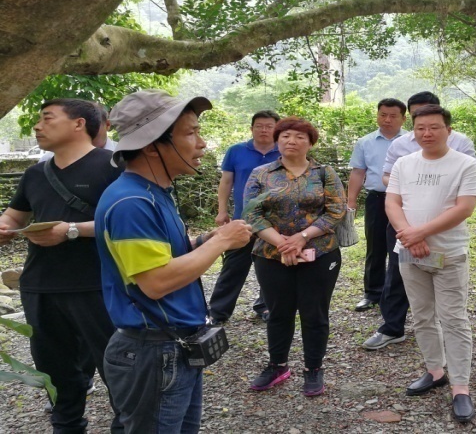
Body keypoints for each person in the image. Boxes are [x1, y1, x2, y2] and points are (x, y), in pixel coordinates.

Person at [95, 90, 253, 433]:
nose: (203, 143)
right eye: (190, 133)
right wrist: (223, 241)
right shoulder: (132, 203)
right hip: (152, 352)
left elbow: (162, 257)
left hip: (171, 347)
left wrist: (203, 241)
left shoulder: (154, 193)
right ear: (153, 144)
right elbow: (156, 282)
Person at [0, 99, 123, 433]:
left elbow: (131, 223)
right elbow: (16, 215)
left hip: (97, 285)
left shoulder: (114, 166)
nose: (38, 126)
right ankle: (66, 426)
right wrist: (5, 227)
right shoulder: (36, 173)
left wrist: (71, 231)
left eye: (47, 118)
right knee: (57, 374)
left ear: (78, 124)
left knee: (118, 371)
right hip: (41, 286)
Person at [386, 104, 476, 423]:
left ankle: (460, 387)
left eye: (434, 127)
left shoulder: (465, 164)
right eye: (421, 127)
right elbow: (392, 201)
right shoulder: (404, 162)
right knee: (422, 316)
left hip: (449, 253)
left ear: (448, 130)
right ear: (413, 131)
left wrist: (420, 232)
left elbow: (464, 207)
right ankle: (435, 371)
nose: (427, 133)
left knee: (454, 318)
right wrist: (409, 236)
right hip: (409, 252)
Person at [361, 91, 476, 351]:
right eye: (417, 120)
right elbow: (388, 180)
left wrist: (424, 223)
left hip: (444, 226)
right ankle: (392, 327)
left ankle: (446, 332)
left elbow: (467, 192)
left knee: (444, 278)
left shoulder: (461, 145)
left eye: (431, 121)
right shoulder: (401, 146)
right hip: (404, 221)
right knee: (397, 272)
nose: (425, 130)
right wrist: (410, 227)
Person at [243, 116, 346, 397]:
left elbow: (336, 211)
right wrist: (282, 244)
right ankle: (277, 365)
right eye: (286, 135)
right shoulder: (261, 174)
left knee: (315, 313)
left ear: (310, 143)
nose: (292, 141)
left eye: (300, 137)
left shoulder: (325, 173)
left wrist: (301, 238)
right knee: (278, 312)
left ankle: (313, 368)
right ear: (277, 140)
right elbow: (251, 213)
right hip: (270, 253)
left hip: (320, 252)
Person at [208, 110, 281, 324]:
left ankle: (265, 306)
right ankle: (217, 312)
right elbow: (226, 182)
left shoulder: (284, 151)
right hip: (243, 219)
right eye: (259, 125)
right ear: (251, 128)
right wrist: (222, 210)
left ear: (277, 129)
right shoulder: (236, 151)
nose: (264, 130)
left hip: (275, 221)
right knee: (233, 266)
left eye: (269, 126)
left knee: (271, 266)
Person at [348, 98, 407, 312]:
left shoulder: (412, 141)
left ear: (403, 118)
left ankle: (401, 293)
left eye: (393, 115)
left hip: (406, 201)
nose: (387, 119)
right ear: (377, 115)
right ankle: (372, 292)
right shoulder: (366, 142)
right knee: (375, 247)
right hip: (377, 199)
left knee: (403, 247)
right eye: (383, 114)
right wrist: (351, 202)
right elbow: (357, 172)